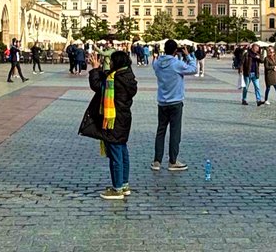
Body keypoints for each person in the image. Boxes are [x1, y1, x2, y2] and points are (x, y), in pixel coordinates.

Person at [79, 49, 138, 200]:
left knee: (116, 155)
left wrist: (95, 69)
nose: (110, 63)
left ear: (116, 63)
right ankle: (123, 184)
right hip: (124, 119)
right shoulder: (126, 76)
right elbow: (107, 77)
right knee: (122, 151)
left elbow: (98, 86)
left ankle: (117, 189)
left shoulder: (115, 79)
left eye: (111, 61)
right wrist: (100, 68)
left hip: (113, 120)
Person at [151, 39, 197, 172]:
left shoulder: (158, 63)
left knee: (161, 131)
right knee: (175, 132)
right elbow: (193, 69)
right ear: (175, 51)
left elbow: (154, 63)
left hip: (162, 102)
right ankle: (173, 161)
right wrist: (188, 55)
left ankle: (157, 161)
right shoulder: (177, 64)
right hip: (175, 102)